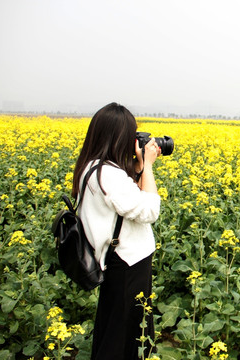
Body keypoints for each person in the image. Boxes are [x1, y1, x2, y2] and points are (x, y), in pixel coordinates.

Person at [71, 102, 162, 359]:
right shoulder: (108, 175)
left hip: (116, 262)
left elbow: (121, 201)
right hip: (127, 264)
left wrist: (138, 168)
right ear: (119, 136)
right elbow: (149, 211)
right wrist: (149, 166)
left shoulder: (92, 167)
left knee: (116, 326)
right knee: (124, 334)